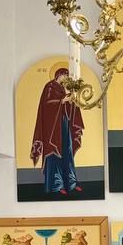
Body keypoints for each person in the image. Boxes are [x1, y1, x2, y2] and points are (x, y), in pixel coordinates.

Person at [31, 66, 84, 195]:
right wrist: (62, 101)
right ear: (59, 75)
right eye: (65, 76)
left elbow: (66, 107)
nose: (66, 79)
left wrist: (71, 102)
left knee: (67, 151)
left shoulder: (62, 89)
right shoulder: (50, 87)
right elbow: (47, 105)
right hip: (52, 129)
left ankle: (71, 183)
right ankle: (57, 185)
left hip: (64, 124)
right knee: (54, 153)